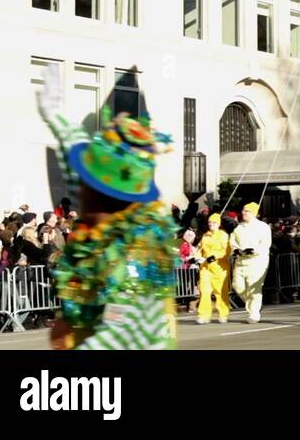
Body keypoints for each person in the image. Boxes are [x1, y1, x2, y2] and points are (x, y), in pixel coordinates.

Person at [43, 103, 178, 350]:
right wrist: (55, 113)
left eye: (86, 182)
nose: (78, 189)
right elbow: (72, 169)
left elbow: (120, 336)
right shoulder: (102, 228)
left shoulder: (134, 255)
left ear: (101, 195)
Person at [230, 202, 271, 324]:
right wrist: (236, 250)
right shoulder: (238, 227)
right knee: (237, 286)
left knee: (254, 288)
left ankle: (254, 313)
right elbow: (232, 241)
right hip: (241, 261)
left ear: (254, 213)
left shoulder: (263, 227)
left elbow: (265, 244)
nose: (243, 213)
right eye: (243, 210)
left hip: (258, 261)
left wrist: (254, 251)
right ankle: (254, 304)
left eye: (246, 211)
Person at [194, 214, 231, 324]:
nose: (211, 224)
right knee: (204, 291)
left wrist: (215, 256)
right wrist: (196, 257)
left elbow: (226, 251)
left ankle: (223, 314)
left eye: (214, 222)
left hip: (220, 268)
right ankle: (203, 315)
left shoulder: (223, 235)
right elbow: (199, 249)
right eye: (210, 222)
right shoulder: (206, 235)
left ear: (219, 224)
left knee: (220, 292)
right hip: (205, 267)